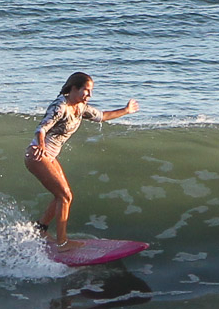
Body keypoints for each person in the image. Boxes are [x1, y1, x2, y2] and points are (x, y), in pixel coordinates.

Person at [26, 73, 138, 249]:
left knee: (63, 196)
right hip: (38, 155)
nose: (89, 94)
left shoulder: (80, 107)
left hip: (50, 156)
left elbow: (102, 116)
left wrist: (126, 110)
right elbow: (41, 128)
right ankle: (62, 243)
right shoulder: (60, 106)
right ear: (73, 88)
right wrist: (40, 144)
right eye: (86, 90)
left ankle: (40, 228)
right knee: (65, 196)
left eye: (91, 91)